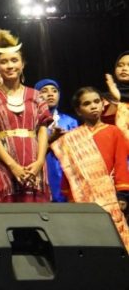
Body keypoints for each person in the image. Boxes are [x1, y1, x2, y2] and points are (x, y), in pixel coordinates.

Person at [51, 87, 129, 251]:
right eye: (87, 104)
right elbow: (69, 170)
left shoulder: (114, 131)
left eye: (96, 102)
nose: (93, 106)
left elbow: (121, 163)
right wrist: (71, 197)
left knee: (117, 237)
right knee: (92, 239)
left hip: (110, 195)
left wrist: (122, 194)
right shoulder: (71, 138)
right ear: (79, 111)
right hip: (84, 198)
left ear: (103, 104)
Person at [0, 29, 51, 203]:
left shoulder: (36, 96)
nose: (10, 66)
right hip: (4, 165)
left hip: (34, 163)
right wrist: (13, 166)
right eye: (4, 62)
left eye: (14, 60)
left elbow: (42, 132)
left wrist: (40, 161)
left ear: (23, 64)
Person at [35, 78, 77, 203]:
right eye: (44, 91)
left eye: (54, 91)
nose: (50, 94)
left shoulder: (70, 121)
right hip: (42, 168)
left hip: (64, 170)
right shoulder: (32, 121)